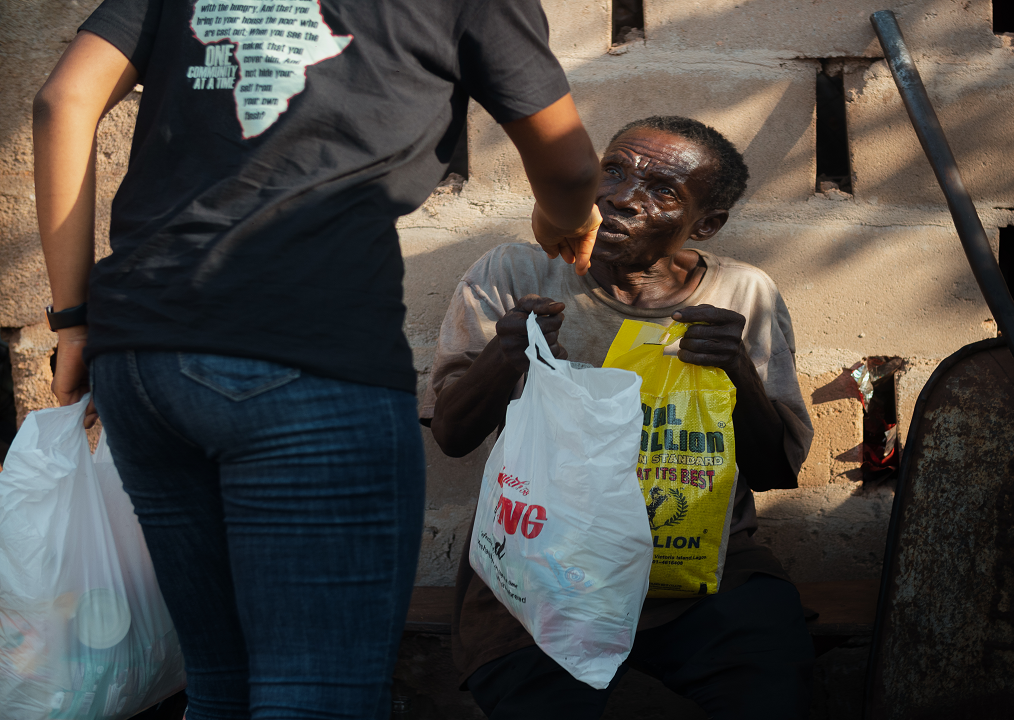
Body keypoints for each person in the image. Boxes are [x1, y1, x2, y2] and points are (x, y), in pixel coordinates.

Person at [32, 1, 603, 717]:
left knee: (221, 683)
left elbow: (62, 100)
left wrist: (75, 321)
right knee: (318, 693)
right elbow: (572, 164)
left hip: (142, 357)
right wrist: (568, 218)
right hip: (306, 357)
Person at [426, 116, 817, 718]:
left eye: (663, 190)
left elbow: (773, 471)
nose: (619, 198)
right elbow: (452, 436)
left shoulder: (743, 295)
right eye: (612, 170)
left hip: (698, 567)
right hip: (541, 563)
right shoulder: (516, 273)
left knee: (769, 675)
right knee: (535, 695)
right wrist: (506, 355)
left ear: (705, 225)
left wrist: (736, 368)